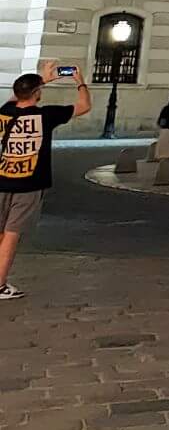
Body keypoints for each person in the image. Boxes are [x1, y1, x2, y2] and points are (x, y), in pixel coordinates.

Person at [0, 71, 91, 298]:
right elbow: (84, 106)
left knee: (1, 233)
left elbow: (13, 99)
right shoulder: (45, 115)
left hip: (1, 180)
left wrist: (40, 79)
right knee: (12, 234)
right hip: (29, 184)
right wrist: (80, 83)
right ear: (37, 93)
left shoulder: (4, 113)